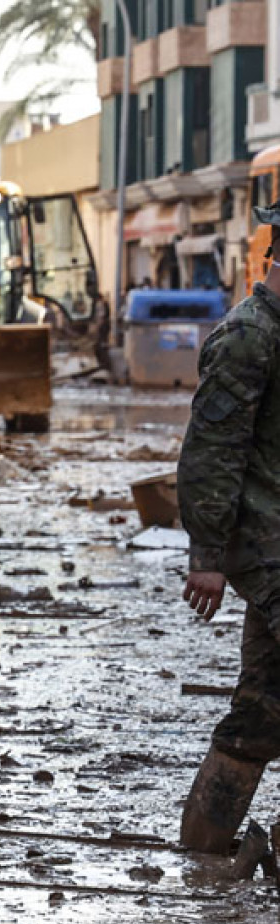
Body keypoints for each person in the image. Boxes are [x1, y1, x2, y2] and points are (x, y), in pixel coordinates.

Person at [178, 200, 280, 854]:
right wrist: (207, 554)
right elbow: (210, 450)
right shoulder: (249, 335)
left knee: (262, 709)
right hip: (265, 549)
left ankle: (203, 857)